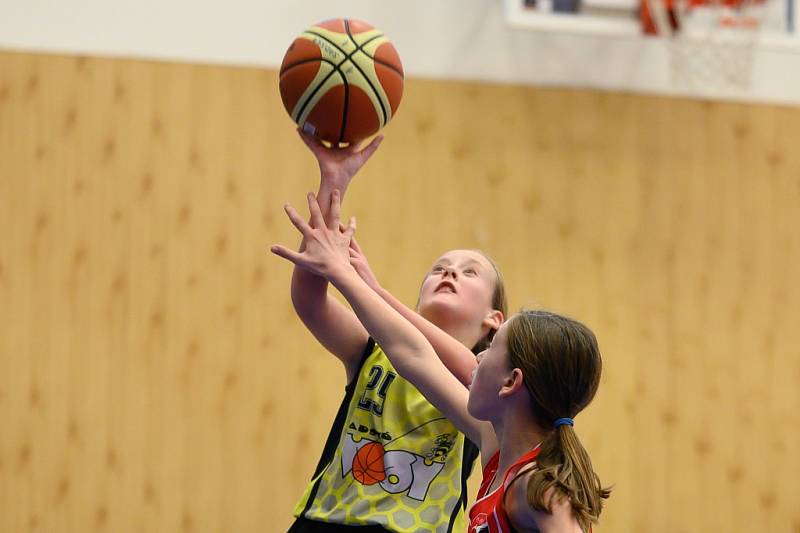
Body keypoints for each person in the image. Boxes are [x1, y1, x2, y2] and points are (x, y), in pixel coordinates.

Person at [271, 192, 611, 533]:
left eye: (490, 352)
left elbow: (431, 355)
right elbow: (411, 354)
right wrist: (351, 277)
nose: (479, 357)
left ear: (511, 383)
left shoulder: (538, 485)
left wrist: (354, 280)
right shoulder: (494, 444)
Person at [284, 131, 507, 532]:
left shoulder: (486, 380)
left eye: (469, 272)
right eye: (438, 268)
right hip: (327, 522)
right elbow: (309, 299)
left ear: (495, 319)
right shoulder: (373, 350)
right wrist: (334, 183)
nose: (450, 272)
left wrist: (373, 290)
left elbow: (435, 360)